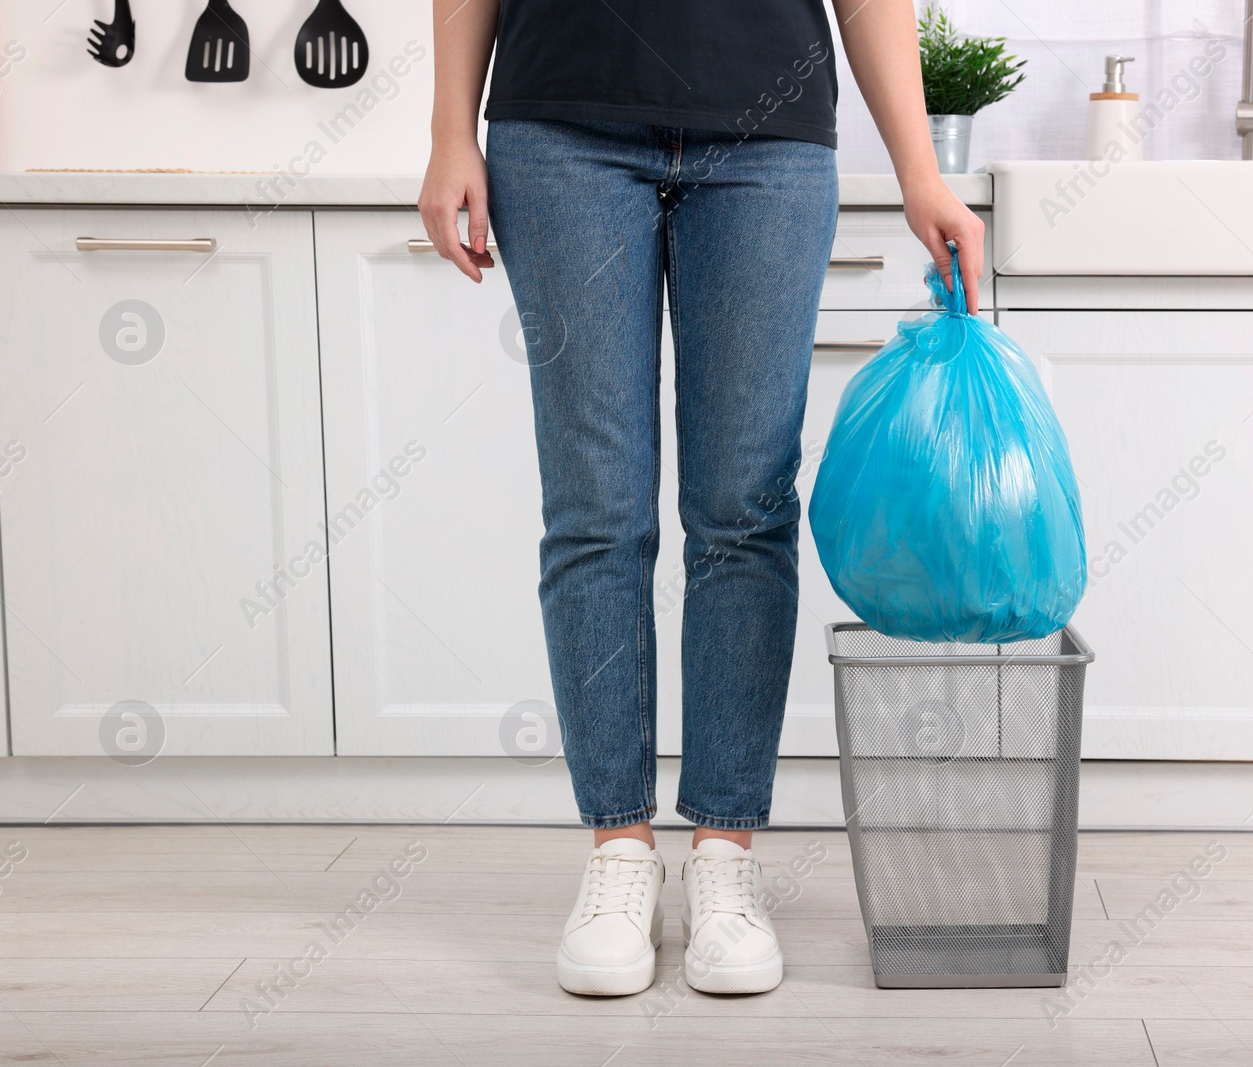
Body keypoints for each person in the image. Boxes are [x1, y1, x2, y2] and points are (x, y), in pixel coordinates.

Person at [420, 0, 986, 997]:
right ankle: (620, 854)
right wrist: (447, 132)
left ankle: (725, 856)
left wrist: (918, 171)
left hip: (766, 141)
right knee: (596, 509)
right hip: (559, 128)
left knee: (744, 514)